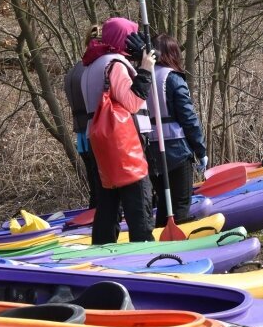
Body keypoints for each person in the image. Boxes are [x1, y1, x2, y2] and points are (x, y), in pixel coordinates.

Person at [81, 17, 156, 244]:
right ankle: (143, 251)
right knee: (138, 200)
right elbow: (132, 103)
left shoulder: (90, 65)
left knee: (108, 202)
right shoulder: (114, 64)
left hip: (99, 141)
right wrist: (145, 70)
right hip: (123, 143)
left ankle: (104, 251)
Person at [145, 33, 207, 227]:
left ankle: (161, 236)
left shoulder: (142, 77)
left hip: (150, 151)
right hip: (176, 151)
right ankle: (176, 246)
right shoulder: (172, 79)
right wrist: (201, 150)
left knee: (164, 202)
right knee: (180, 201)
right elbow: (188, 118)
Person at [63, 24, 102, 208]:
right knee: (101, 185)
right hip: (93, 133)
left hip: (81, 135)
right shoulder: (92, 69)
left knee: (94, 185)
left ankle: (95, 212)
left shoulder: (73, 71)